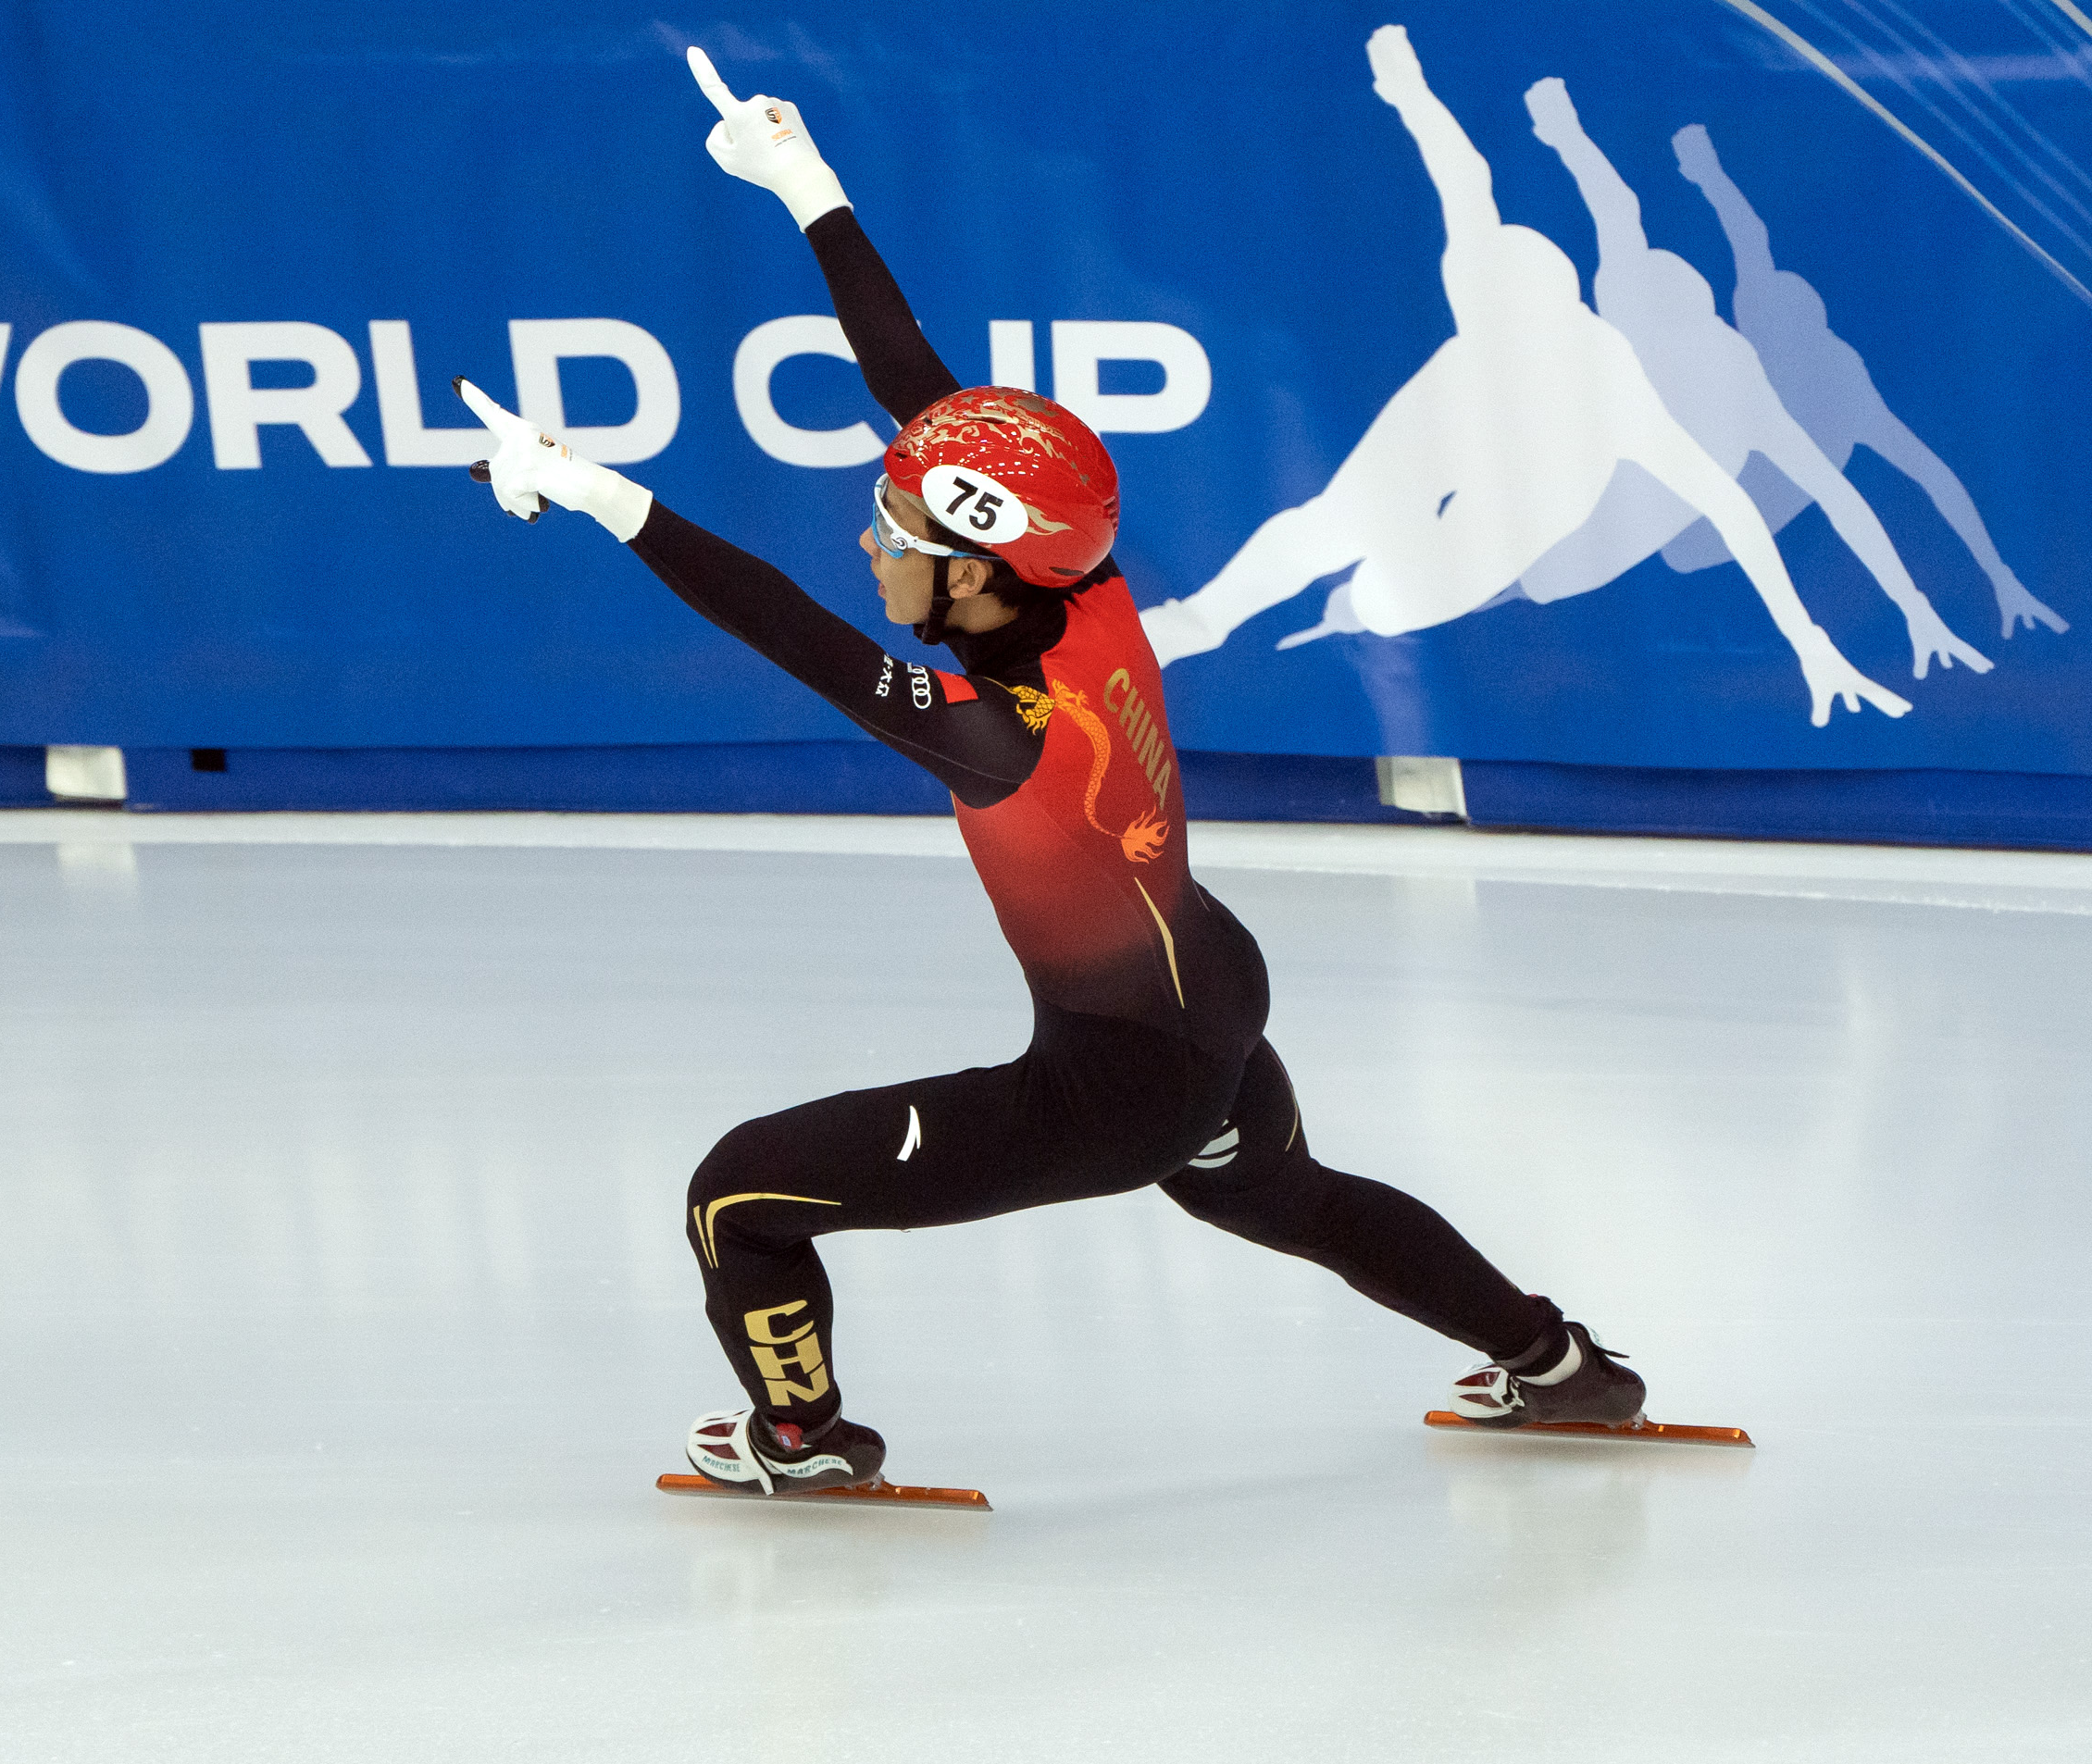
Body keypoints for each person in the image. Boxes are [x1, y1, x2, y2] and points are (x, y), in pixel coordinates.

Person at [450, 44, 1643, 1496]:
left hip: (1111, 1081)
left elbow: (788, 627)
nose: (872, 538)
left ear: (973, 577)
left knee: (740, 1198)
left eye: (900, 534)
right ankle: (1560, 1366)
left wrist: (596, 493)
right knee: (1284, 1194)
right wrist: (808, 187)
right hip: (1205, 994)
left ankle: (802, 1444)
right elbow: (922, 396)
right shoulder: (1085, 589)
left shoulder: (997, 734)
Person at [1140, 26, 1907, 729]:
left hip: (1529, 501)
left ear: (1561, 316)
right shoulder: (1484, 294)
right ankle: (1191, 625)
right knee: (1325, 525)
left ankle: (1368, 602)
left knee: (1381, 602)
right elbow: (1462, 180)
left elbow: (1726, 503)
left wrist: (1807, 639)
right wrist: (1410, 92)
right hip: (1447, 416)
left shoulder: (1606, 384)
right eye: (1492, 316)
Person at [1513, 77, 1990, 682]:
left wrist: (1903, 611)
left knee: (1544, 576)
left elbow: (1836, 496)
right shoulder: (1658, 316)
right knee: (1536, 572)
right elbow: (1628, 209)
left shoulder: (1743, 371)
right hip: (1639, 505)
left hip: (1677, 523)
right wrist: (1571, 133)